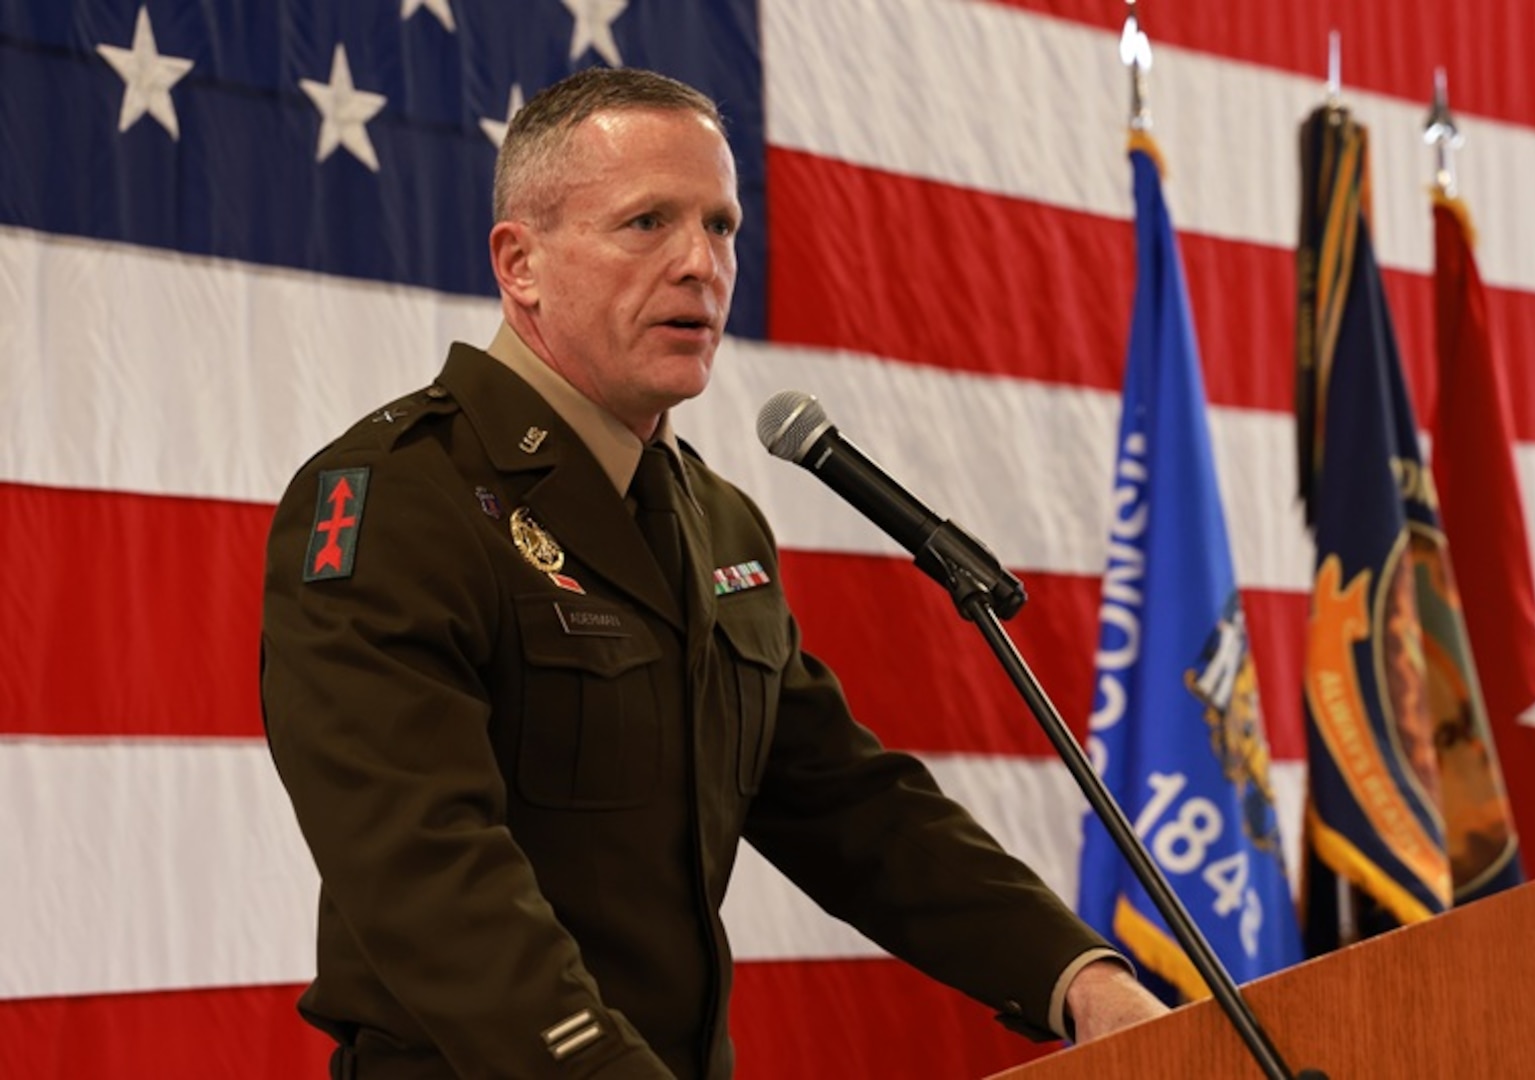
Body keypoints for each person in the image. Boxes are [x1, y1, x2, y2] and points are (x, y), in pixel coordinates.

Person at [260, 66, 1168, 1080]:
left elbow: (848, 807)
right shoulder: (398, 500)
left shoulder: (716, 519)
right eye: (646, 222)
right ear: (520, 265)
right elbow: (428, 879)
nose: (701, 263)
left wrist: (1077, 976)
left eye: (722, 226)